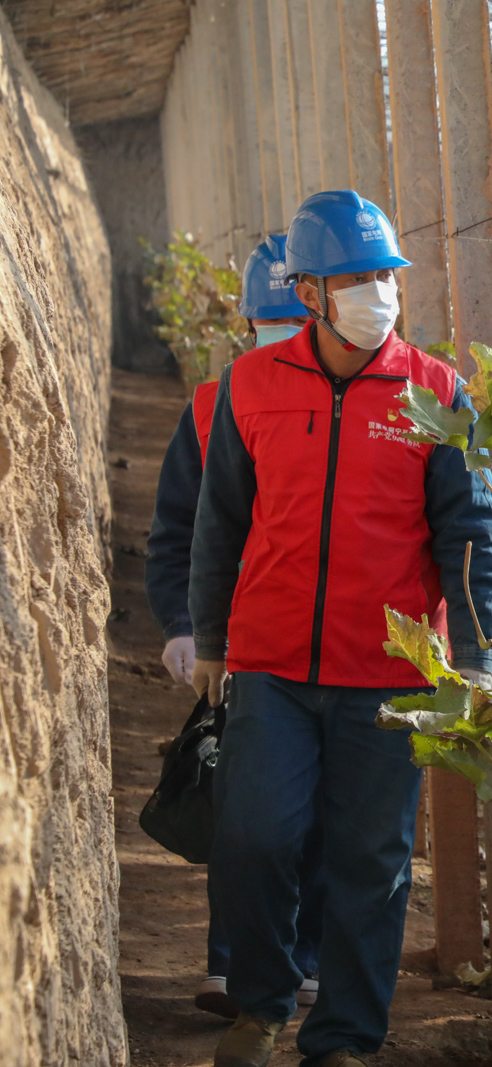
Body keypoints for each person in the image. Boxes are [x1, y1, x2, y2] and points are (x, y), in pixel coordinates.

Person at [189, 190, 492, 1067]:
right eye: (357, 277)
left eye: (384, 274)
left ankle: (346, 1038)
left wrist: (473, 659)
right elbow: (220, 521)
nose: (378, 291)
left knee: (373, 862)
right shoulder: (252, 386)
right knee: (255, 833)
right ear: (313, 294)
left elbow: (471, 531)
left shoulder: (436, 391)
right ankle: (260, 1004)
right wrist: (210, 638)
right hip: (271, 662)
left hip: (389, 672)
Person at [145, 234, 324, 1019]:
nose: (281, 340)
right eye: (271, 325)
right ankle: (233, 964)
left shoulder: (373, 395)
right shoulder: (216, 403)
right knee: (245, 804)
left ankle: (305, 960)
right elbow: (178, 526)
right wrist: (186, 625)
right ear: (248, 324)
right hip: (244, 642)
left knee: (323, 810)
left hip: (337, 641)